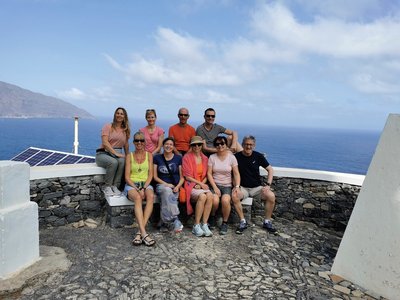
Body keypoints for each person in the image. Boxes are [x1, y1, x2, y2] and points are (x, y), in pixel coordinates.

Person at [235, 135, 277, 234]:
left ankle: (267, 221)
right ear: (242, 145)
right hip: (243, 188)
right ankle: (242, 221)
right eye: (246, 144)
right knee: (234, 196)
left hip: (256, 188)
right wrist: (236, 187)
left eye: (251, 145)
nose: (248, 147)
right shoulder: (236, 157)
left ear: (254, 145)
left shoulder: (258, 156)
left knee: (271, 196)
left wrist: (268, 184)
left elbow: (270, 169)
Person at [207, 136, 248, 235]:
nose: (220, 146)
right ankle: (212, 217)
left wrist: (237, 186)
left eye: (222, 143)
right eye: (217, 144)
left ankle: (225, 223)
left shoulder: (231, 158)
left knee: (225, 200)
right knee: (215, 201)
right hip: (215, 185)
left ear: (226, 145)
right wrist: (215, 187)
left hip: (227, 186)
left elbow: (236, 173)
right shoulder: (212, 157)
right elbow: (209, 174)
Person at [124, 131, 156, 246]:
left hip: (145, 184)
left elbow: (150, 175)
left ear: (145, 142)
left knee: (150, 196)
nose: (139, 142)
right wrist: (137, 188)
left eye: (141, 140)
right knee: (138, 197)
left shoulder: (149, 155)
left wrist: (144, 187)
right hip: (132, 184)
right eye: (137, 140)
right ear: (133, 142)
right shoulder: (129, 156)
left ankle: (139, 232)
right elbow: (127, 177)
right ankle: (144, 233)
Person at [182, 136, 216, 237]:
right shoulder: (186, 158)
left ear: (202, 146)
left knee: (210, 196)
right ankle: (196, 225)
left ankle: (204, 224)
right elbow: (187, 176)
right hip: (191, 185)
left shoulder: (205, 158)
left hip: (201, 185)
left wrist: (202, 184)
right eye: (194, 145)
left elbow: (206, 175)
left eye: (199, 144)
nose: (197, 146)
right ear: (191, 146)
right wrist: (200, 184)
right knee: (203, 196)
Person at [96, 107, 130, 197]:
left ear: (124, 116)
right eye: (117, 113)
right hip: (103, 153)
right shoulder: (108, 126)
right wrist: (115, 153)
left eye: (121, 114)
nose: (119, 115)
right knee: (113, 162)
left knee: (122, 161)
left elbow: (126, 145)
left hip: (117, 153)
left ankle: (115, 186)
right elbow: (105, 142)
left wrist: (128, 156)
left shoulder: (125, 130)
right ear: (115, 115)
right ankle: (107, 186)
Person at [153, 137, 185, 232]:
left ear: (173, 147)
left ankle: (163, 222)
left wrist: (178, 186)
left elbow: (182, 177)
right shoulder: (157, 158)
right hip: (161, 185)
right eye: (166, 144)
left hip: (175, 186)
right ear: (163, 146)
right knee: (167, 191)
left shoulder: (178, 158)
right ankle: (175, 219)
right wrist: (166, 184)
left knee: (167, 198)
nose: (168, 146)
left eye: (171, 144)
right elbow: (155, 177)